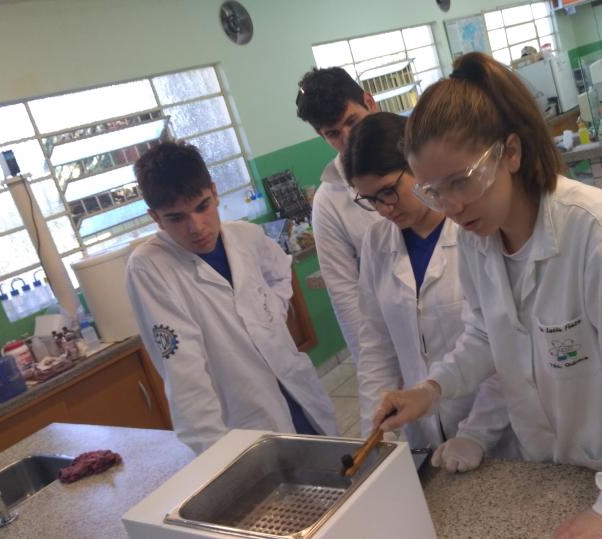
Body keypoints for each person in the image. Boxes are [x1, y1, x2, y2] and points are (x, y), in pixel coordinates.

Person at [373, 53, 602, 539]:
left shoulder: (595, 232)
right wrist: (431, 390)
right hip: (559, 473)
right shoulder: (477, 237)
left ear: (510, 152)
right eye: (434, 192)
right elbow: (485, 334)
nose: (452, 206)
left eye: (462, 181)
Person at [125, 142, 338, 453]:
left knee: (332, 464)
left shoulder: (245, 235)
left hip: (298, 392)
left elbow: (280, 271)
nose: (196, 227)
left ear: (214, 192)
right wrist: (217, 455)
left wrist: (269, 314)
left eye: (202, 207)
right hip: (243, 419)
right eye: (176, 218)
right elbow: (185, 377)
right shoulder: (150, 268)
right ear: (155, 217)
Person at [346, 112, 518, 473]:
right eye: (371, 199)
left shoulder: (475, 230)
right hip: (422, 432)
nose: (384, 209)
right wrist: (375, 432)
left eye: (389, 191)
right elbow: (376, 346)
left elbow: (501, 345)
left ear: (417, 170)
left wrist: (476, 434)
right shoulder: (377, 243)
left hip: (498, 431)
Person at [296, 68, 381, 366]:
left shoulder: (424, 154)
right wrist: (373, 372)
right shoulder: (328, 201)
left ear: (370, 102)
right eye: (333, 134)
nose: (349, 139)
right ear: (321, 135)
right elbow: (345, 295)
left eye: (352, 121)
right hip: (393, 333)